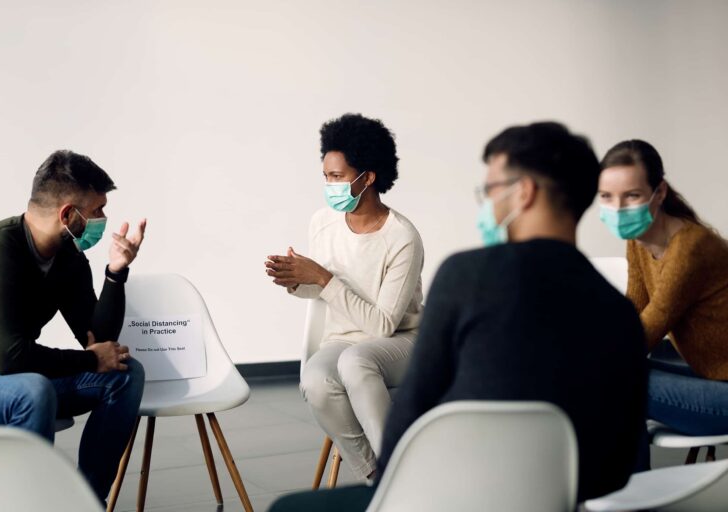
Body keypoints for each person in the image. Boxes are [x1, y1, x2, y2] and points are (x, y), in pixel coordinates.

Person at [269, 122, 648, 511]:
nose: (486, 203)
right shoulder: (620, 314)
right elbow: (619, 466)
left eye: (491, 191)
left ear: (525, 193)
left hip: (453, 496)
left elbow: (415, 410)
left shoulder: (465, 278)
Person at [0, 150, 147, 502]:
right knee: (32, 390)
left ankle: (88, 502)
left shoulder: (68, 260)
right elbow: (10, 358)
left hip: (9, 379)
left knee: (125, 374)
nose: (103, 219)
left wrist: (116, 272)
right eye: (96, 211)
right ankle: (31, 505)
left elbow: (98, 340)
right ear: (67, 214)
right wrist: (91, 361)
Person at [265, 113, 424, 481]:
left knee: (355, 363)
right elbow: (321, 291)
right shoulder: (323, 221)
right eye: (325, 176)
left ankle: (402, 474)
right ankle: (378, 476)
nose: (329, 185)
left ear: (368, 177)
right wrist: (294, 279)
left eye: (337, 177)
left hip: (400, 340)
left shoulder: (402, 237)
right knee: (315, 380)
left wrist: (321, 276)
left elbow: (383, 325)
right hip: (343, 339)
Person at [598, 139, 728, 467]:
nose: (618, 207)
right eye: (607, 197)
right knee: (617, 370)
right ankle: (630, 495)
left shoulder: (690, 247)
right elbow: (632, 313)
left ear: (660, 193)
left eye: (632, 195)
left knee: (619, 377)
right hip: (707, 372)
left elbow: (648, 328)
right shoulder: (638, 240)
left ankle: (633, 498)